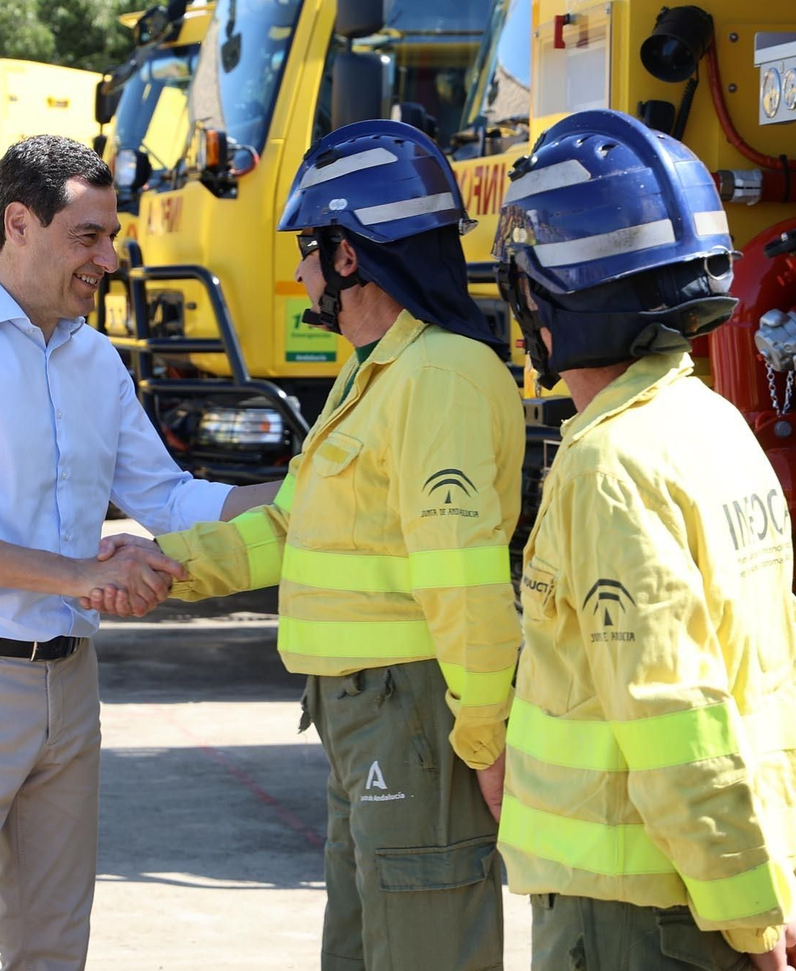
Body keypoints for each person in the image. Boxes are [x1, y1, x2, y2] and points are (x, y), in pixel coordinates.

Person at [97, 120, 523, 971]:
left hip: (414, 715)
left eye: (307, 249)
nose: (297, 273)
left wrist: (486, 738)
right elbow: (291, 531)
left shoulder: (439, 375)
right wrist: (159, 571)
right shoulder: (375, 373)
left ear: (353, 254)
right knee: (361, 951)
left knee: (422, 951)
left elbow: (465, 581)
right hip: (363, 716)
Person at [0, 135, 281, 969]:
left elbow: (170, 498)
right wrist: (85, 576)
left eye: (112, 234)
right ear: (19, 224)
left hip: (68, 679)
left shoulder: (96, 361)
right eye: (89, 236)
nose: (111, 257)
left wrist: (314, 490)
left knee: (56, 943)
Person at [492, 109, 796, 970]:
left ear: (557, 297)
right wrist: (786, 877)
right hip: (716, 887)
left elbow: (673, 713)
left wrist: (755, 923)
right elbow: (787, 659)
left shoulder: (609, 463)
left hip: (637, 913)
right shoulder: (717, 427)